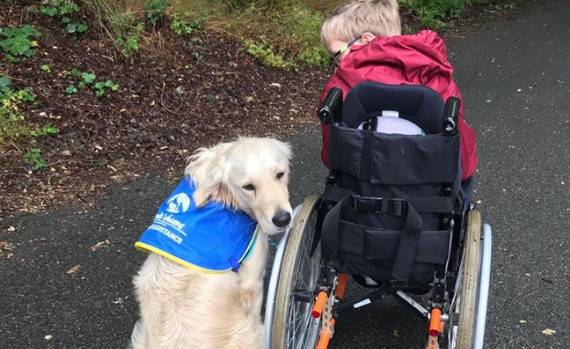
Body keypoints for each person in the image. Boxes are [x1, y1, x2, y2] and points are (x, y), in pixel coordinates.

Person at [318, 0, 477, 180]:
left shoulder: (338, 87)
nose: (336, 63)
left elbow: (331, 155)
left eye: (337, 55)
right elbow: (460, 151)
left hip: (361, 188)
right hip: (430, 190)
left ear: (366, 40)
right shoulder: (435, 75)